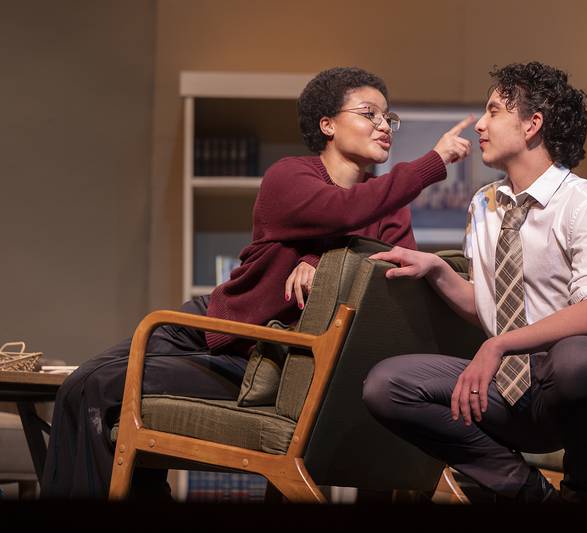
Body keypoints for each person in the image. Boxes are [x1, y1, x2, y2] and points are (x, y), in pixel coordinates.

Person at [41, 66, 473, 499]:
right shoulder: (290, 177)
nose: (383, 126)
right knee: (84, 384)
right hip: (212, 326)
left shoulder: (390, 209)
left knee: (99, 388)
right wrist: (431, 164)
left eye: (388, 118)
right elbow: (339, 211)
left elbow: (388, 283)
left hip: (257, 356)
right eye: (369, 114)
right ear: (327, 125)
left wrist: (321, 265)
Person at [362, 62, 587, 504]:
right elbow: (488, 306)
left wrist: (499, 345)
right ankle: (528, 493)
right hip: (509, 394)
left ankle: (584, 494)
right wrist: (437, 269)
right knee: (386, 385)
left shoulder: (582, 201)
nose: (480, 125)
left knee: (577, 359)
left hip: (579, 395)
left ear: (532, 124)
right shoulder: (483, 204)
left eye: (493, 111)